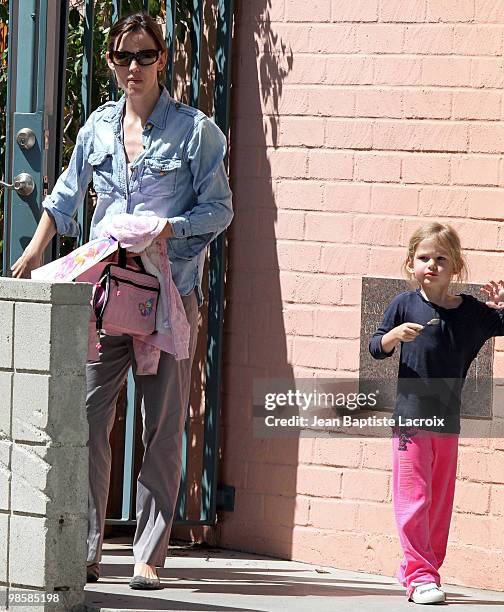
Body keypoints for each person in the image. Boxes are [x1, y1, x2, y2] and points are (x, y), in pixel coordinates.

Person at [11, 11, 233, 589]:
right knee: (85, 415)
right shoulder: (98, 128)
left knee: (160, 426)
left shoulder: (195, 131)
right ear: (111, 63)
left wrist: (167, 228)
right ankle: (85, 548)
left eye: (143, 55)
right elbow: (64, 197)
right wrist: (35, 253)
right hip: (108, 295)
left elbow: (219, 210)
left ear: (162, 59)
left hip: (170, 298)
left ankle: (148, 555)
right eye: (122, 57)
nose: (132, 67)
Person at [369, 222, 504, 605]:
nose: (432, 264)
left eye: (441, 258)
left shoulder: (472, 313)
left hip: (447, 422)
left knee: (440, 503)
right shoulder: (403, 304)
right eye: (424, 257)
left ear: (456, 266)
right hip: (410, 421)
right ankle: (422, 574)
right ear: (411, 263)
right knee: (413, 499)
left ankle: (417, 569)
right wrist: (394, 337)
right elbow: (376, 345)